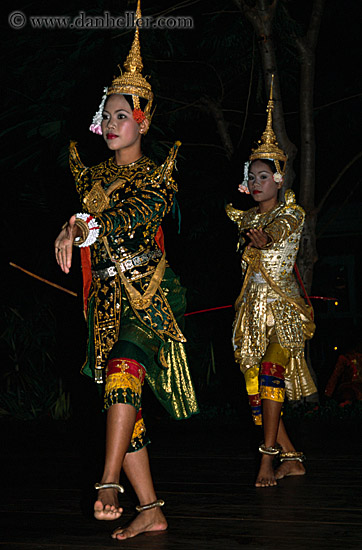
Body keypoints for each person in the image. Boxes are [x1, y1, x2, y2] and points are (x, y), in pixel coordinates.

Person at [55, 1, 198, 539]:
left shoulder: (157, 178)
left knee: (123, 374)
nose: (112, 123)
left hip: (152, 294)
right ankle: (152, 508)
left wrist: (81, 223)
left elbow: (131, 217)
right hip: (108, 303)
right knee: (125, 406)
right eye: (107, 114)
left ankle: (108, 482)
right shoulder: (91, 177)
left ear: (142, 119)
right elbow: (88, 218)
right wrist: (71, 226)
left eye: (122, 115)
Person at [226, 76, 317, 488]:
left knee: (271, 373)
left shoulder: (290, 214)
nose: (257, 182)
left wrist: (265, 238)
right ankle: (293, 457)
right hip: (250, 312)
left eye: (265, 176)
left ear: (279, 180)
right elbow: (247, 226)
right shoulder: (247, 218)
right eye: (253, 176)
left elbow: (278, 232)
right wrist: (251, 232)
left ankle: (266, 462)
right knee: (255, 392)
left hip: (282, 310)